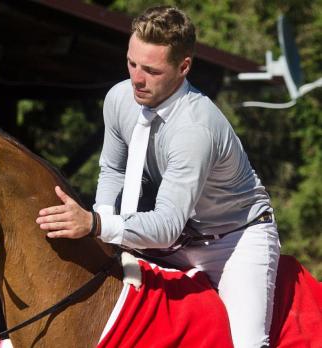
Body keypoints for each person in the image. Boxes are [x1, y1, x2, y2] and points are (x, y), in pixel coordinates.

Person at [36, 5, 280, 348]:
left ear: (184, 67)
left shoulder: (194, 129)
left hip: (233, 240)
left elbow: (164, 228)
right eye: (132, 63)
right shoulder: (119, 97)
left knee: (246, 344)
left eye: (151, 70)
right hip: (174, 239)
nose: (137, 78)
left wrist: (93, 224)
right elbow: (114, 169)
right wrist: (103, 223)